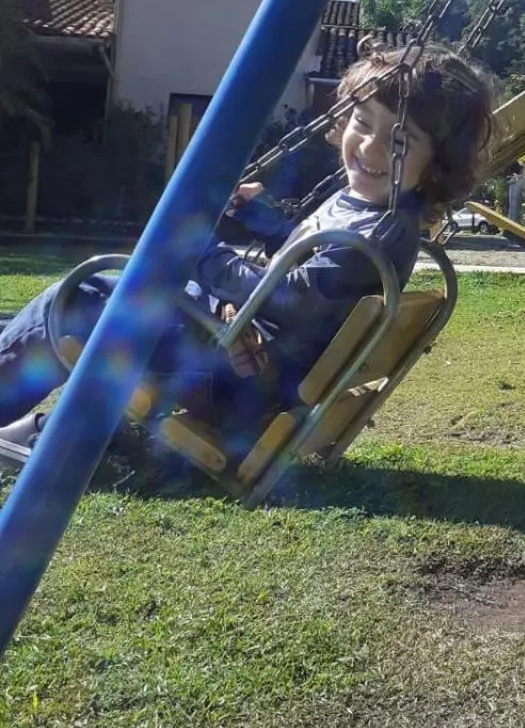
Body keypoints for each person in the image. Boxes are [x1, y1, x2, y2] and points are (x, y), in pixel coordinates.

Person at [0, 42, 493, 464]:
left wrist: (200, 251)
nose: (370, 146)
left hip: (236, 378)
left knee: (80, 300)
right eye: (362, 121)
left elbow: (290, 294)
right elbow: (304, 262)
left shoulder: (376, 235)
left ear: (438, 164)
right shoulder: (373, 212)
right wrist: (264, 218)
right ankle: (54, 432)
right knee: (118, 289)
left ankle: (39, 421)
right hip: (241, 347)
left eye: (400, 140)